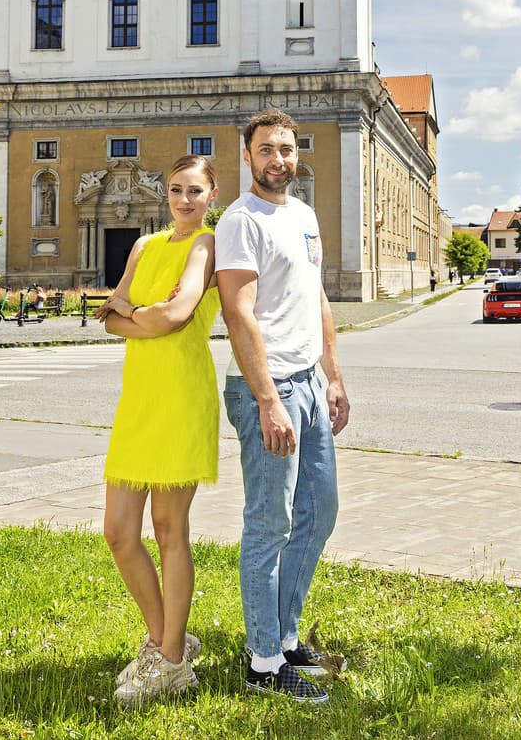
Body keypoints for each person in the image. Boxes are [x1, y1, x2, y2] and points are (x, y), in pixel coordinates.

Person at [216, 110, 350, 706]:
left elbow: (316, 295)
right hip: (267, 391)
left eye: (286, 150)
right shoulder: (240, 222)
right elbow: (238, 313)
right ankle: (263, 663)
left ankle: (286, 636)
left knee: (319, 511)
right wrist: (269, 401)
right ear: (247, 157)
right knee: (270, 524)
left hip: (310, 386)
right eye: (266, 150)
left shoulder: (303, 214)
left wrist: (334, 376)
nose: (278, 160)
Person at [95, 155, 220, 707]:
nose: (184, 200)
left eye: (195, 191)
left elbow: (178, 316)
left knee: (170, 531)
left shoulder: (208, 245)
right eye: (176, 190)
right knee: (119, 532)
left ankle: (170, 660)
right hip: (139, 399)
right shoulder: (147, 247)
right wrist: (143, 309)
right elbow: (107, 316)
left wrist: (133, 310)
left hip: (181, 396)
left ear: (211, 196)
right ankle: (166, 638)